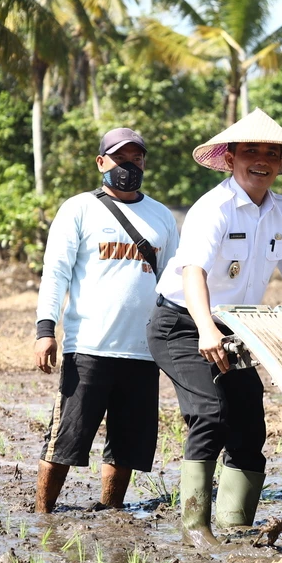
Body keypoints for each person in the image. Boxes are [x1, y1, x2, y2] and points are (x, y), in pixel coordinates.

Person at [147, 108, 282, 547]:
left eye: (271, 153)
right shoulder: (214, 207)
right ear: (230, 158)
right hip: (184, 324)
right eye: (250, 151)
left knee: (248, 423)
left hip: (235, 328)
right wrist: (207, 330)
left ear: (281, 163)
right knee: (210, 413)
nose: (261, 160)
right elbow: (192, 273)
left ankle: (235, 523)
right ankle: (194, 527)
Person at [34, 127, 179, 512]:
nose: (129, 166)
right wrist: (45, 330)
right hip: (88, 349)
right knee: (65, 441)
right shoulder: (79, 208)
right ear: (101, 162)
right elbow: (55, 273)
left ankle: (110, 511)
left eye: (137, 158)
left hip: (143, 352)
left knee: (127, 446)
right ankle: (42, 514)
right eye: (120, 158)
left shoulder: (161, 216)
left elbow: (174, 282)